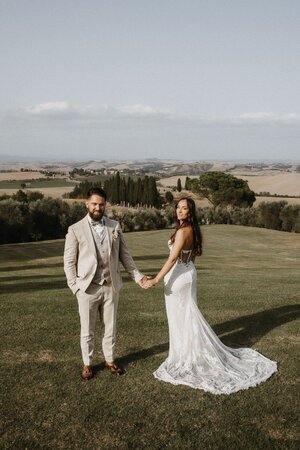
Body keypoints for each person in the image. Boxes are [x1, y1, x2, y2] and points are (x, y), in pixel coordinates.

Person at [144, 197, 277, 394]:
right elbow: (192, 256)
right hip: (189, 273)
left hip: (179, 277)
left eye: (184, 208)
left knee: (180, 317)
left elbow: (173, 258)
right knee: (188, 315)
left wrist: (155, 279)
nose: (179, 211)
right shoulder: (193, 230)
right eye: (178, 208)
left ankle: (184, 356)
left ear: (190, 212)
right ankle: (188, 352)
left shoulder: (182, 231)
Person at [64, 187, 147, 380]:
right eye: (94, 203)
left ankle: (109, 360)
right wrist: (75, 287)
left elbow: (125, 256)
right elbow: (69, 262)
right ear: (87, 203)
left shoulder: (114, 226)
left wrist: (138, 277)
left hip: (111, 286)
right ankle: (88, 363)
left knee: (111, 327)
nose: (97, 207)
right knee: (88, 330)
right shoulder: (75, 229)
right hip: (87, 289)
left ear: (105, 205)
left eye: (101, 204)